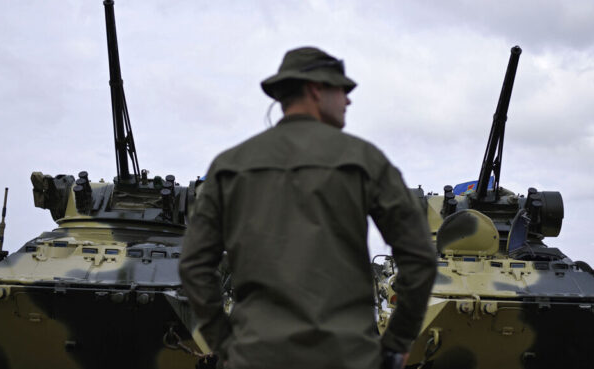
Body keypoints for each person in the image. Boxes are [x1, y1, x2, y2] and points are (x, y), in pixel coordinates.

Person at [179, 46, 437, 369]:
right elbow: (420, 258)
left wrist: (226, 345)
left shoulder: (229, 166)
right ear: (316, 89)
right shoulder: (364, 160)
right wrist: (395, 344)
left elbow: (194, 265)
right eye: (342, 90)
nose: (348, 101)